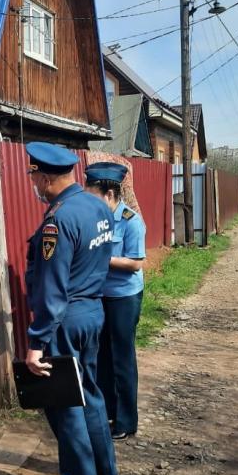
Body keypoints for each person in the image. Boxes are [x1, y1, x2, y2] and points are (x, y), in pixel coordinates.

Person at [24, 142, 118, 475]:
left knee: (65, 404)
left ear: (46, 178)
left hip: (65, 320)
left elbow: (52, 289)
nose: (33, 183)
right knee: (91, 393)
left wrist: (36, 341)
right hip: (93, 312)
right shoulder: (98, 205)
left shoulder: (57, 221)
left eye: (34, 176)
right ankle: (105, 468)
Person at [85, 162, 147, 440]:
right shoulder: (96, 219)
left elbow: (136, 263)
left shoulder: (131, 221)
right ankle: (107, 411)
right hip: (101, 295)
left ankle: (125, 421)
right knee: (102, 355)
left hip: (124, 297)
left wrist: (102, 259)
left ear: (110, 194)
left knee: (122, 358)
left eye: (94, 196)